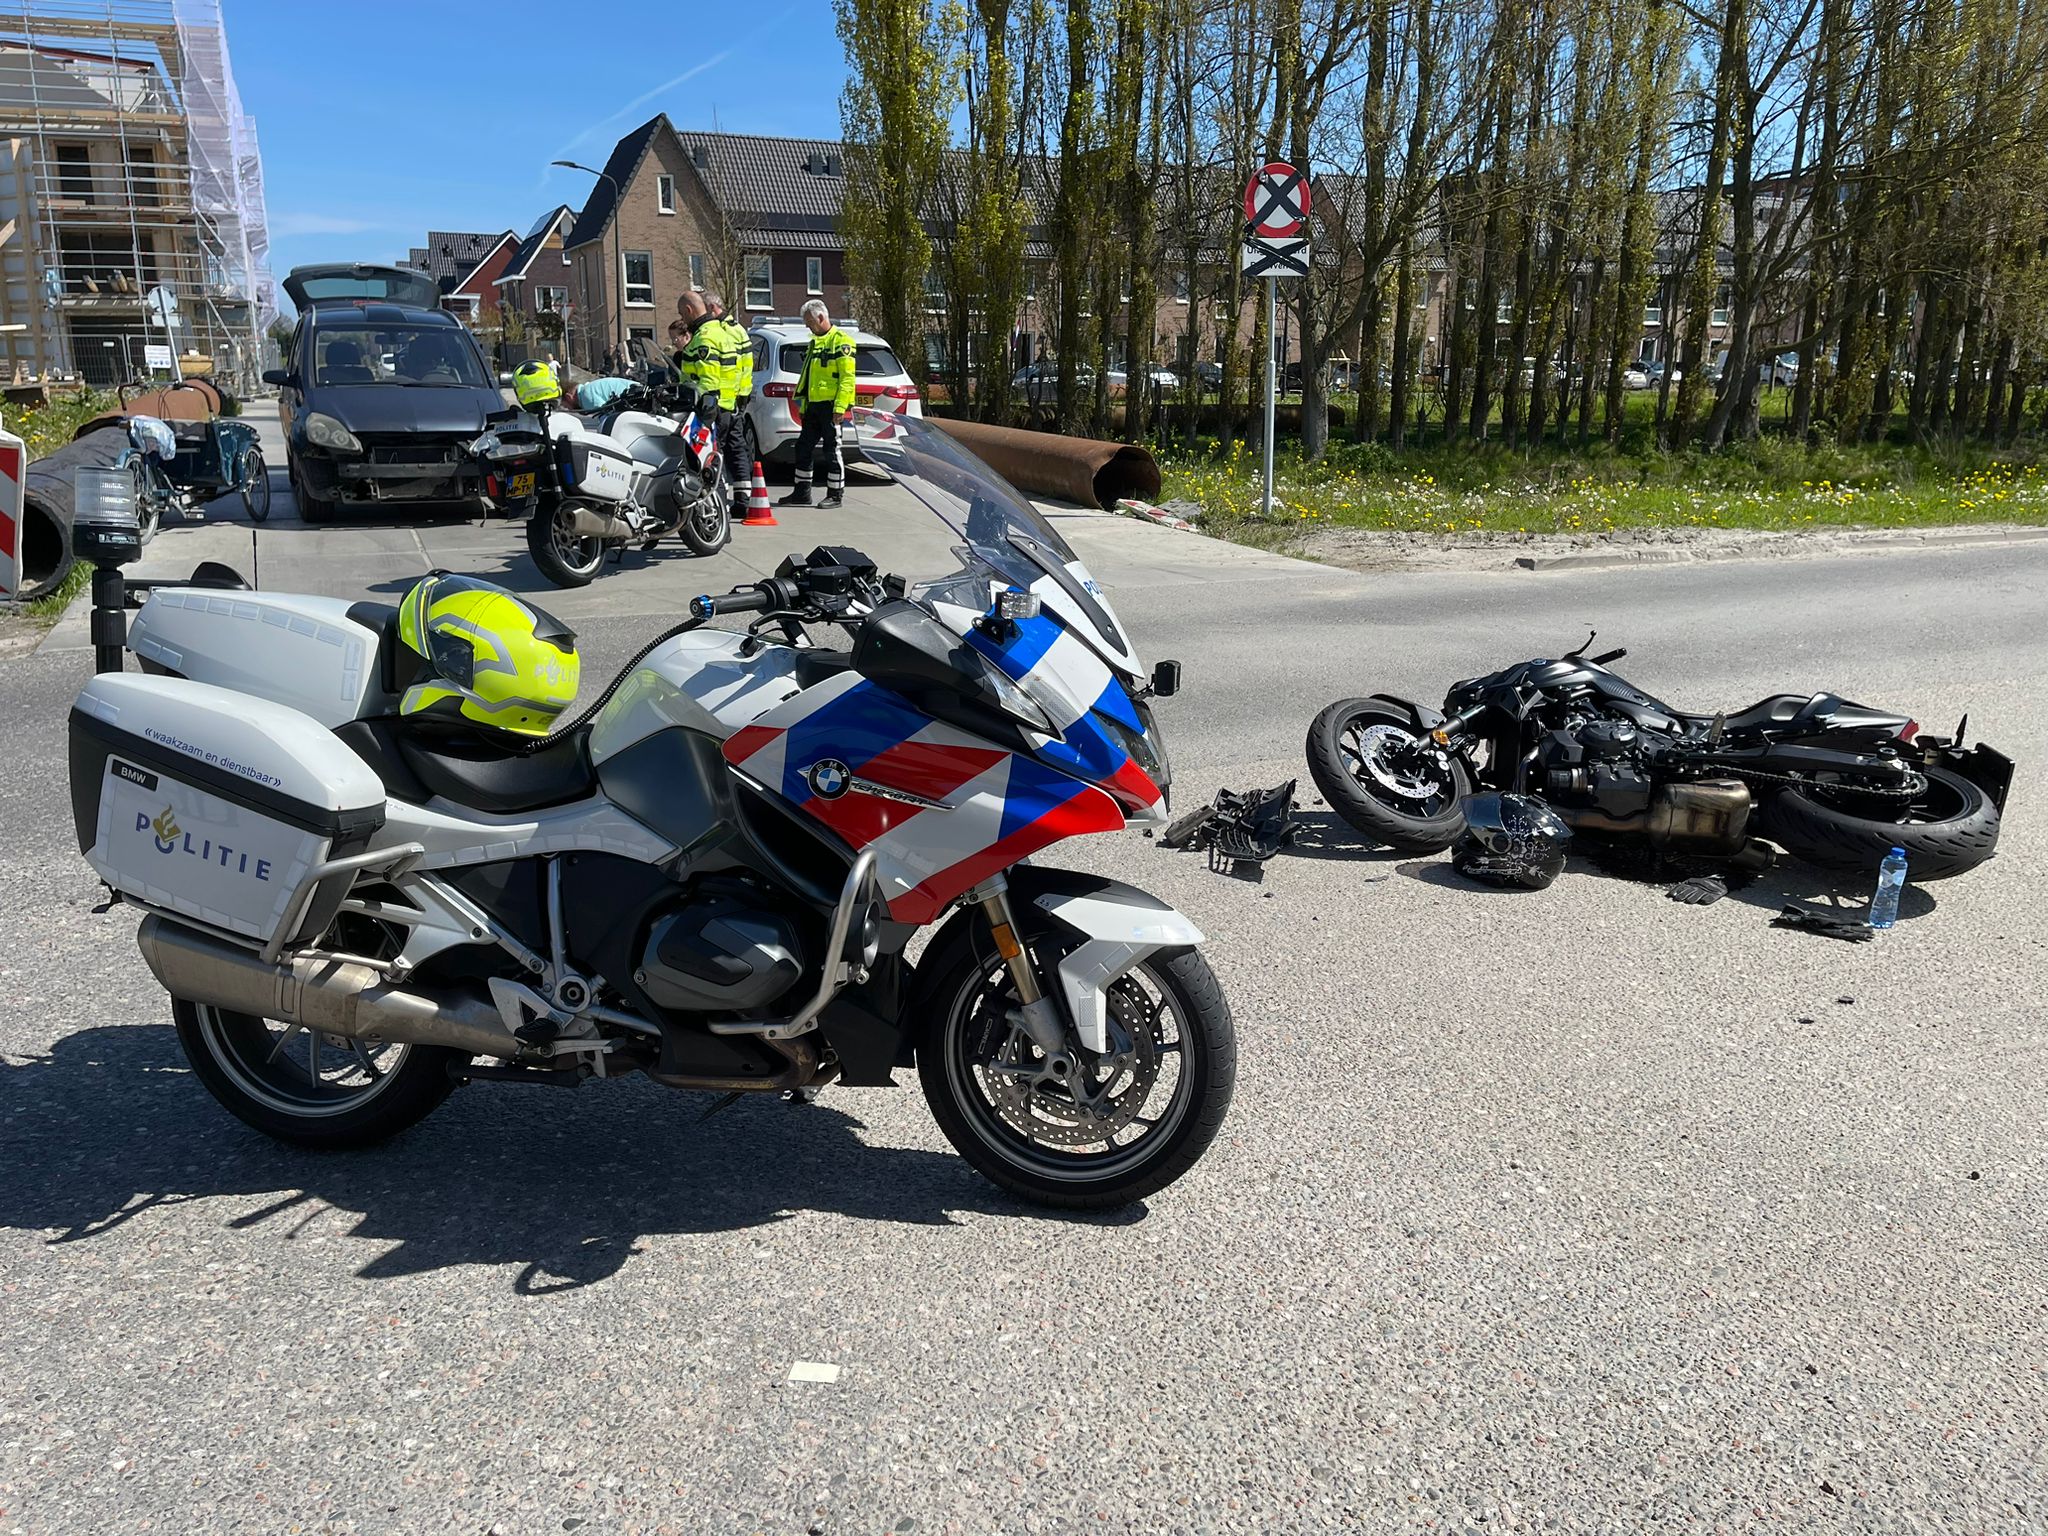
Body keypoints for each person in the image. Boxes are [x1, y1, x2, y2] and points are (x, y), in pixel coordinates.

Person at [779, 299, 855, 507]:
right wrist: (804, 406)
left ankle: (835, 494)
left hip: (831, 406)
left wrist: (840, 408)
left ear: (821, 318)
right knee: (803, 448)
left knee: (832, 450)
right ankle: (802, 493)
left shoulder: (841, 342)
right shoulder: (814, 342)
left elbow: (847, 379)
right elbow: (808, 377)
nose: (807, 326)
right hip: (813, 406)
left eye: (809, 321)